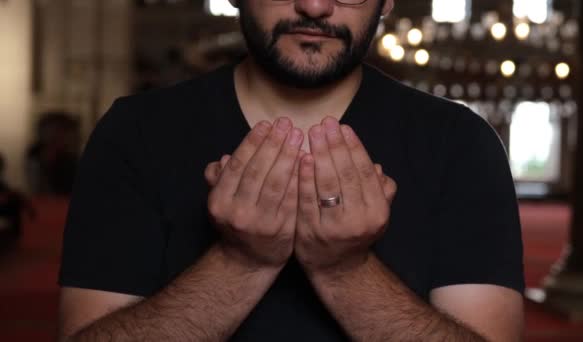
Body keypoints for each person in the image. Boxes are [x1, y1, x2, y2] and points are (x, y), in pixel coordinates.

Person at [58, 0, 524, 341]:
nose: (315, 6)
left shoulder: (461, 142)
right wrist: (241, 261)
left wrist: (345, 269)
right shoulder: (137, 131)